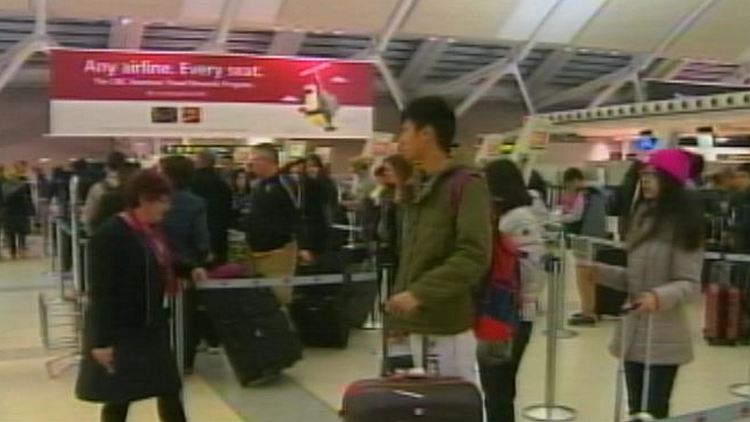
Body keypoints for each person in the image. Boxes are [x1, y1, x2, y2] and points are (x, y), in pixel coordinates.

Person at [76, 170, 207, 422]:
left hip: (150, 326)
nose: (167, 208)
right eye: (163, 201)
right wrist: (101, 341)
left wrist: (190, 268)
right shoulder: (110, 236)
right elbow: (101, 291)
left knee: (169, 388)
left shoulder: (151, 231)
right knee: (119, 397)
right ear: (144, 199)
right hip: (122, 331)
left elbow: (163, 260)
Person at [587, 149, 703, 419]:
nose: (646, 181)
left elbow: (689, 284)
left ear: (670, 181)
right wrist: (599, 272)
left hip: (663, 336)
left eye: (653, 176)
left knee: (654, 411)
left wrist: (657, 297)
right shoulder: (641, 219)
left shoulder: (685, 226)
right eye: (644, 176)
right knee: (635, 409)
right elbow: (634, 280)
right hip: (633, 332)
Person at [386, 96, 492, 381]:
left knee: (451, 406)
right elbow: (413, 255)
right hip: (417, 322)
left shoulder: (467, 184)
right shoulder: (421, 186)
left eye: (405, 130)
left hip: (447, 327)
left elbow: (473, 255)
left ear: (427, 134)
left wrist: (419, 293)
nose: (401, 139)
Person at [479, 159, 546, 422]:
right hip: (503, 312)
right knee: (499, 388)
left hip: (508, 314)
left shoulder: (518, 219)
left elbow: (531, 265)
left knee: (497, 389)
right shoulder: (506, 216)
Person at [160, 156, 215, 371]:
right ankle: (185, 360)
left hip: (159, 262)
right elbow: (201, 238)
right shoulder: (196, 203)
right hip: (187, 265)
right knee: (187, 315)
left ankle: (162, 356)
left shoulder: (155, 200)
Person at [245, 144, 308, 306]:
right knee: (260, 301)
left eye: (254, 160)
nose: (250, 164)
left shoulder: (285, 183)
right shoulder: (257, 186)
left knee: (278, 299)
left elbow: (297, 214)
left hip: (279, 251)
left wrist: (303, 245)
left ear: (268, 161)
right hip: (256, 252)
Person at [192, 151, 233, 265]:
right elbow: (228, 209)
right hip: (219, 234)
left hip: (198, 236)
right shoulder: (223, 185)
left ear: (199, 162)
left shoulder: (191, 183)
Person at [301, 154, 338, 259]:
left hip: (323, 223)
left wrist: (318, 181)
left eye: (314, 166)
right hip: (306, 223)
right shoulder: (301, 183)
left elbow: (330, 200)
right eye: (308, 166)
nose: (311, 169)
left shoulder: (327, 182)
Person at [82, 152, 128, 234]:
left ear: (106, 168)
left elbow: (88, 220)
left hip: (103, 235)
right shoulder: (133, 187)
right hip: (129, 236)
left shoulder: (97, 188)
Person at [1, 164, 34, 259]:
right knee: (21, 233)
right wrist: (30, 211)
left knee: (10, 233)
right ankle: (22, 250)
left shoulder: (3, 186)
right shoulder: (23, 186)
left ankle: (12, 252)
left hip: (7, 212)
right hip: (20, 211)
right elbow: (27, 200)